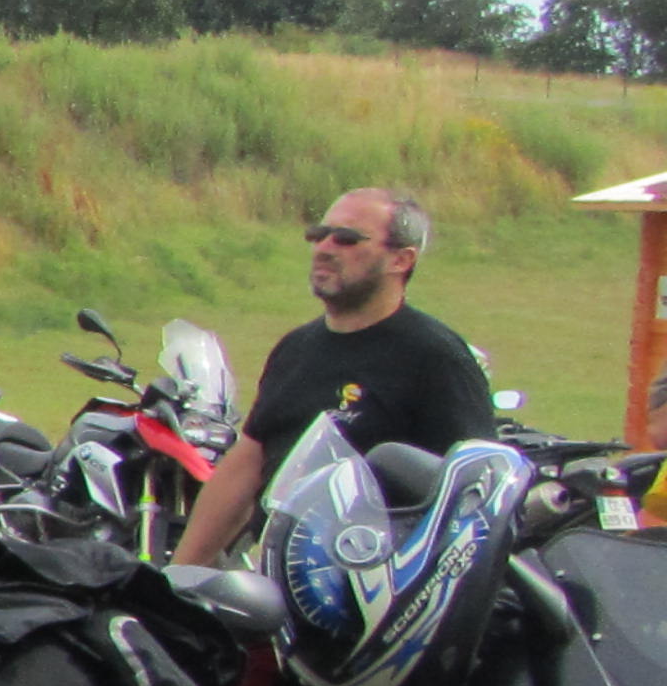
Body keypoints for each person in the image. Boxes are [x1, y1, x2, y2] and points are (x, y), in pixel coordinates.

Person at [174, 185, 495, 566]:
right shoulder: (295, 349)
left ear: (401, 259)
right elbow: (246, 466)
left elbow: (476, 494)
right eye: (319, 234)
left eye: (346, 238)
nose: (324, 248)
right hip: (283, 575)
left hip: (376, 580)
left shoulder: (435, 356)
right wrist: (176, 576)